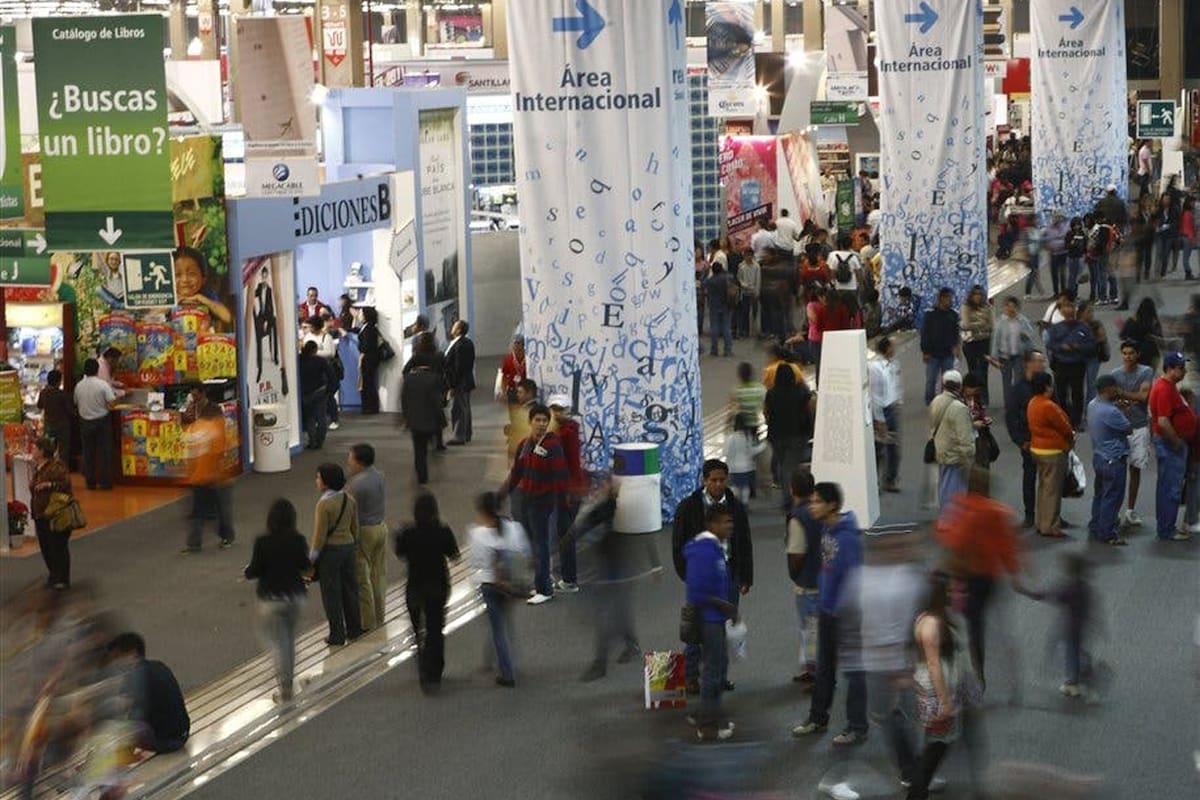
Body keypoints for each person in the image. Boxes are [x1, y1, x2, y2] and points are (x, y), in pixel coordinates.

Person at [792, 481, 868, 745]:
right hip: (827, 610)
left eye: (816, 502)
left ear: (832, 505)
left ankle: (857, 726)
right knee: (824, 668)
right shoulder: (827, 528)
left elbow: (854, 579)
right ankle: (817, 717)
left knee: (854, 672)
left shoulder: (847, 538)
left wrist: (840, 610)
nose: (812, 506)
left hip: (844, 615)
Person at [672, 459, 753, 694]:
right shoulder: (689, 507)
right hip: (701, 575)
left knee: (724, 629)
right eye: (713, 480)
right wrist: (687, 574)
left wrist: (746, 576)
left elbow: (744, 542)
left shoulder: (735, 507)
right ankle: (690, 676)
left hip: (728, 573)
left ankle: (719, 676)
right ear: (704, 480)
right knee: (696, 630)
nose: (718, 484)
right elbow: (678, 544)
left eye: (722, 480)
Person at [936, 467, 1021, 691]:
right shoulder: (997, 511)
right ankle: (983, 672)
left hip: (966, 578)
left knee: (962, 621)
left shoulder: (961, 508)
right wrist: (1014, 573)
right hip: (989, 578)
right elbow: (1007, 546)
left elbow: (950, 538)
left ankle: (971, 671)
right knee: (981, 625)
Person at [861, 531, 928, 791]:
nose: (904, 549)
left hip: (905, 660)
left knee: (909, 716)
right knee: (891, 717)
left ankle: (914, 766)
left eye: (906, 544)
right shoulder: (869, 584)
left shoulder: (912, 578)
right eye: (896, 545)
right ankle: (911, 770)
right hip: (884, 662)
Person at [498, 403, 568, 604]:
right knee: (532, 544)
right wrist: (503, 494)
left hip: (543, 503)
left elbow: (559, 475)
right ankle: (540, 584)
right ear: (530, 422)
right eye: (537, 420)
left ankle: (545, 589)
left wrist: (556, 499)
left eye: (545, 420)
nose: (541, 424)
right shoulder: (525, 445)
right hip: (527, 501)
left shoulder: (553, 446)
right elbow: (517, 472)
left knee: (541, 545)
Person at [906, 572, 968, 800]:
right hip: (936, 693)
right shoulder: (932, 624)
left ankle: (919, 790)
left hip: (932, 690)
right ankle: (916, 793)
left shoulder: (928, 618)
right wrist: (944, 701)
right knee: (936, 746)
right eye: (951, 591)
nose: (956, 595)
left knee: (936, 745)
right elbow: (933, 665)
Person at [243, 498, 310, 702]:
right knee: (288, 640)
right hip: (296, 598)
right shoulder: (299, 539)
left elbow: (255, 570)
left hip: (271, 600)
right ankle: (288, 681)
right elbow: (305, 565)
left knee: (273, 641)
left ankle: (285, 686)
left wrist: (246, 572)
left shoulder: (263, 542)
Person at [574, 481, 641, 681]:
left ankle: (600, 663)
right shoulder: (614, 511)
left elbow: (585, 524)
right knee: (618, 613)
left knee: (606, 618)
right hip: (611, 570)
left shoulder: (609, 510)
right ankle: (631, 644)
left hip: (613, 571)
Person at [395, 492, 461, 692]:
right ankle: (435, 671)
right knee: (435, 630)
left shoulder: (408, 532)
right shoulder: (442, 531)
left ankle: (423, 669)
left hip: (415, 586)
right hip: (438, 585)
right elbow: (455, 555)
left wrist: (399, 535)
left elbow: (400, 553)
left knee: (418, 630)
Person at [685, 504, 740, 741]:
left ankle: (705, 714)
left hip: (715, 619)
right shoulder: (704, 551)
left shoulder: (714, 547)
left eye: (731, 522)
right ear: (712, 525)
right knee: (713, 671)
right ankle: (708, 726)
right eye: (725, 522)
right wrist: (724, 605)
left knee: (718, 667)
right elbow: (696, 592)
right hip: (710, 620)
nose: (730, 526)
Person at [1018, 554, 1098, 700]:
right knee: (1076, 648)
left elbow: (1048, 595)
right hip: (1081, 625)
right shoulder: (1084, 587)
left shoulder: (1069, 588)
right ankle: (1084, 668)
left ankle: (1073, 683)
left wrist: (1025, 591)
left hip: (1070, 626)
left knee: (1069, 651)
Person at [470, 492, 528, 688]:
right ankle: (500, 658)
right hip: (511, 586)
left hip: (490, 585)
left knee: (497, 628)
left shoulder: (477, 534)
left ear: (483, 512)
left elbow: (475, 562)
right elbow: (524, 552)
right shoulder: (514, 528)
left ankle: (507, 671)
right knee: (504, 622)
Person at [309, 463, 364, 646]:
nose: (316, 481)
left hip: (331, 552)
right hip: (348, 547)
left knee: (331, 594)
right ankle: (354, 629)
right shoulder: (350, 499)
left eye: (318, 478)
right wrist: (354, 544)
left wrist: (311, 560)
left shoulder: (323, 505)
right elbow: (355, 528)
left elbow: (319, 536)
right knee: (350, 589)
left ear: (326, 482)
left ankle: (337, 634)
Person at [106, 633, 190, 754]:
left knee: (111, 723)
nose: (116, 664)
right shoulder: (158, 666)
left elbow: (133, 715)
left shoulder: (135, 676)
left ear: (132, 653)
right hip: (182, 734)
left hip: (166, 741)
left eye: (117, 658)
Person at [1148, 352, 1196, 541]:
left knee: (1167, 487)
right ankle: (1167, 529)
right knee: (1171, 489)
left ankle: (1166, 526)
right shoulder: (1164, 389)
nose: (1184, 371)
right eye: (1180, 368)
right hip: (1170, 445)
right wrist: (1176, 443)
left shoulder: (1169, 386)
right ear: (1169, 368)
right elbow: (1163, 422)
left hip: (1171, 443)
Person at [1112, 341, 1156, 530]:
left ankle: (1130, 510)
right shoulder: (1115, 374)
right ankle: (1113, 511)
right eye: (1124, 353)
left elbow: (1143, 397)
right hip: (1120, 428)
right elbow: (1112, 398)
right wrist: (1125, 398)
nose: (1128, 356)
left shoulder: (1146, 371)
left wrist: (1122, 394)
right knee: (1118, 471)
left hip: (1139, 427)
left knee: (1135, 469)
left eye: (1131, 353)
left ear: (1137, 354)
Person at [181, 403, 235, 553]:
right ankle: (227, 538)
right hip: (215, 477)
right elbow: (220, 453)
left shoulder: (194, 427)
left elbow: (188, 454)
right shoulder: (216, 427)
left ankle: (194, 544)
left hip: (196, 478)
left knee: (197, 512)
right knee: (222, 510)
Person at [1028, 372, 1074, 538]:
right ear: (1048, 386)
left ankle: (1041, 522)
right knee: (1053, 490)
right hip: (1052, 451)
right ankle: (1050, 526)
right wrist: (1070, 437)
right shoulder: (1048, 406)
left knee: (1043, 488)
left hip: (1037, 449)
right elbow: (1065, 427)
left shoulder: (1033, 402)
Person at [346, 443, 388, 631]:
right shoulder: (379, 476)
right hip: (381, 527)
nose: (349, 461)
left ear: (359, 462)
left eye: (351, 457)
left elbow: (348, 509)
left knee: (363, 578)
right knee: (378, 575)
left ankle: (367, 622)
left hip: (365, 532)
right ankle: (380, 616)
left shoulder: (356, 484)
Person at [1087, 375, 1132, 546]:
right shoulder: (1111, 412)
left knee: (1100, 493)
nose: (1117, 390)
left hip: (1099, 456)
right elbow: (1128, 428)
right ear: (1107, 389)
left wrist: (1116, 406)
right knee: (1113, 496)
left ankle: (1096, 524)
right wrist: (1122, 410)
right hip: (1113, 459)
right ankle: (1107, 533)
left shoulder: (1092, 405)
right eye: (1115, 387)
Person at [786, 470, 821, 685]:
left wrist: (795, 573)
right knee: (815, 630)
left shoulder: (798, 517)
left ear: (792, 490)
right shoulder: (819, 511)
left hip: (807, 584)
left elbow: (797, 552)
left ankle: (815, 672)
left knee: (809, 631)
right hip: (822, 580)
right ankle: (813, 669)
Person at [1007, 350, 1049, 528]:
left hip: (1048, 441)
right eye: (1039, 361)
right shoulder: (1018, 389)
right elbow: (1012, 417)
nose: (1042, 364)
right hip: (1029, 441)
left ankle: (1050, 514)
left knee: (1050, 481)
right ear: (1028, 364)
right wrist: (1020, 440)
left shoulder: (1047, 383)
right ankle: (1030, 514)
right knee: (1030, 477)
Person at [764, 347, 813, 493]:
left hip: (776, 435)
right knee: (790, 466)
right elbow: (809, 408)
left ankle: (787, 492)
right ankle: (791, 496)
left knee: (783, 464)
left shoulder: (771, 394)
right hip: (797, 434)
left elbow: (766, 413)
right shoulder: (801, 391)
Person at [547, 394, 582, 593]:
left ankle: (569, 578)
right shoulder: (568, 430)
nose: (557, 413)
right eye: (554, 409)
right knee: (564, 533)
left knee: (565, 534)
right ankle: (567, 574)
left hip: (567, 491)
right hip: (568, 490)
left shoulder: (564, 434)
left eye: (560, 409)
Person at [30, 438, 73, 590]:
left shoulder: (56, 467)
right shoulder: (37, 467)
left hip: (55, 512)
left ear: (42, 451)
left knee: (58, 545)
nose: (32, 450)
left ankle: (62, 577)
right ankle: (54, 574)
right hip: (40, 513)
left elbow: (66, 485)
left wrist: (50, 484)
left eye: (35, 448)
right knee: (46, 546)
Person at [1046, 300, 1095, 429]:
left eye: (1070, 307)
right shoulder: (1056, 328)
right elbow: (1050, 344)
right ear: (1061, 311)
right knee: (1061, 393)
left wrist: (1078, 347)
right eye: (1065, 307)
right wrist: (1062, 347)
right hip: (1061, 364)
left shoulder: (1083, 327)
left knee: (1077, 393)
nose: (1068, 310)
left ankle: (1076, 422)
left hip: (1077, 364)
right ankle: (1064, 418)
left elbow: (1091, 345)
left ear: (1075, 310)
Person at [930, 370, 975, 509]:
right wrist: (969, 455)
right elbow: (965, 437)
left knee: (944, 487)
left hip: (941, 451)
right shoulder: (959, 408)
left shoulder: (936, 401)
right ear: (960, 386)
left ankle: (945, 519)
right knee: (956, 491)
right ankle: (952, 522)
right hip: (955, 455)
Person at [74, 358, 120, 490]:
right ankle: (105, 482)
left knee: (88, 453)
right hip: (102, 422)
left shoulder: (79, 386)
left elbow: (76, 402)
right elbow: (111, 404)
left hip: (84, 422)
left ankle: (90, 482)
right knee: (104, 453)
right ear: (97, 370)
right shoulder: (102, 385)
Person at [401, 359, 447, 486]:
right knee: (428, 445)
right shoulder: (434, 379)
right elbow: (437, 402)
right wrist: (441, 420)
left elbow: (404, 400)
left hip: (415, 421)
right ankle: (433, 461)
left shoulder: (409, 380)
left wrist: (406, 418)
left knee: (419, 450)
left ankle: (422, 477)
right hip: (431, 420)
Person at [987, 296, 1036, 413]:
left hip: (1019, 355)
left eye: (1012, 306)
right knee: (1006, 382)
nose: (1010, 309)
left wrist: (1025, 334)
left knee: (1018, 381)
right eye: (1007, 306)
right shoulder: (1000, 322)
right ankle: (1009, 406)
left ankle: (1018, 403)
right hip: (1005, 356)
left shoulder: (1022, 320)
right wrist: (993, 356)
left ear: (1016, 308)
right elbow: (996, 339)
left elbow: (1031, 333)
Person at [869, 336, 902, 493]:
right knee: (878, 448)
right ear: (887, 348)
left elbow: (895, 385)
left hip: (892, 407)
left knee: (893, 447)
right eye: (892, 346)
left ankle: (890, 479)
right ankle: (873, 482)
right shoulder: (875, 368)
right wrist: (879, 419)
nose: (894, 348)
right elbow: (875, 395)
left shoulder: (894, 364)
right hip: (882, 410)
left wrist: (898, 401)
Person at [174, 246, 232, 328]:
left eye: (192, 274)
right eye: (178, 275)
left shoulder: (207, 295)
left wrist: (202, 299)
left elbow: (228, 317)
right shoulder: (167, 297)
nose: (185, 280)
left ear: (203, 279)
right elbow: (151, 317)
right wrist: (173, 303)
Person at [921, 288, 961, 405]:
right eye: (947, 298)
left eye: (950, 298)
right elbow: (925, 334)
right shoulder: (931, 315)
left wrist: (957, 348)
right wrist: (925, 351)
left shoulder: (953, 315)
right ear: (941, 299)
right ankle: (930, 401)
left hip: (948, 353)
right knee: (931, 380)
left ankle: (945, 401)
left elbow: (956, 333)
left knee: (948, 380)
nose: (950, 300)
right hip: (932, 354)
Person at [304, 315, 341, 431]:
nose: (308, 329)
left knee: (329, 395)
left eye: (310, 326)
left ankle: (334, 419)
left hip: (325, 369)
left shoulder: (327, 337)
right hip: (311, 371)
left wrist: (314, 354)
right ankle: (315, 420)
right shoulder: (307, 336)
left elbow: (330, 353)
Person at [960, 286, 994, 406]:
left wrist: (978, 324)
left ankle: (984, 398)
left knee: (983, 371)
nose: (978, 296)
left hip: (984, 342)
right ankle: (974, 398)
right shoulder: (966, 307)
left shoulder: (987, 307)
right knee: (973, 371)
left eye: (980, 294)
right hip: (970, 343)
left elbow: (991, 325)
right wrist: (981, 323)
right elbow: (966, 324)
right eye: (975, 294)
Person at [444, 320, 476, 444]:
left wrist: (452, 384)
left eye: (454, 326)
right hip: (465, 381)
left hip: (459, 382)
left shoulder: (460, 345)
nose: (452, 327)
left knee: (458, 409)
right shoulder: (466, 342)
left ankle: (459, 436)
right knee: (465, 408)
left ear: (458, 330)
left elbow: (458, 367)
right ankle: (466, 433)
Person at [298, 340, 333, 449]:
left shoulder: (298, 360)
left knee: (310, 418)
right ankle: (319, 441)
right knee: (321, 417)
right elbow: (331, 375)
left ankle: (312, 441)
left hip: (305, 392)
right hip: (319, 391)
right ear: (315, 350)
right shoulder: (320, 361)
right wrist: (330, 390)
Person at [724, 414, 765, 505]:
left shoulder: (730, 437)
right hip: (747, 467)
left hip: (733, 468)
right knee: (745, 487)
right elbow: (752, 452)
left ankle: (735, 503)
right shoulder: (747, 436)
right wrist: (763, 446)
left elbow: (725, 453)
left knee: (734, 486)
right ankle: (745, 503)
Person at [1078, 301, 1109, 409]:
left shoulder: (1095, 324)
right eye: (1088, 312)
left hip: (1093, 358)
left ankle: (1089, 409)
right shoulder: (1075, 324)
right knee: (1078, 385)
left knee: (1091, 385)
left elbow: (1103, 337)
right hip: (1078, 358)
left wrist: (1090, 342)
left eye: (1092, 311)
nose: (1091, 314)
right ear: (1081, 313)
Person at [36, 369, 72, 461]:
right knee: (64, 452)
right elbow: (70, 410)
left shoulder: (43, 392)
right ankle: (62, 471)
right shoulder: (62, 394)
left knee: (48, 451)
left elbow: (39, 405)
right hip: (62, 426)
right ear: (58, 381)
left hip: (49, 425)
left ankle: (49, 471)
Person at [252, 265, 279, 384]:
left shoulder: (270, 289)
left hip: (269, 315)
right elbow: (252, 297)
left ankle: (276, 356)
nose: (264, 278)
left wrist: (268, 320)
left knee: (274, 326)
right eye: (262, 276)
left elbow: (271, 307)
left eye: (265, 276)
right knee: (258, 336)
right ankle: (259, 365)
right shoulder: (258, 287)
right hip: (260, 315)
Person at [704, 260, 734, 357]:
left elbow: (702, 283)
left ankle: (714, 349)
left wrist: (705, 272)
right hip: (726, 305)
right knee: (726, 328)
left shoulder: (710, 281)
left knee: (714, 328)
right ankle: (727, 350)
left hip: (713, 306)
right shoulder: (727, 278)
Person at [356, 307, 383, 415]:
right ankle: (370, 406)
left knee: (368, 382)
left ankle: (370, 407)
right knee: (368, 382)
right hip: (369, 358)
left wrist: (361, 349)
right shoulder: (367, 327)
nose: (359, 315)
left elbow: (366, 345)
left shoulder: (369, 328)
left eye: (361, 313)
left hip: (368, 358)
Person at [736, 249, 761, 338]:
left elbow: (758, 279)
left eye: (750, 255)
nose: (748, 257)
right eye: (747, 255)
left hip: (754, 292)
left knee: (755, 311)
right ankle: (745, 330)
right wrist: (745, 285)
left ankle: (755, 329)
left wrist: (756, 291)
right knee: (745, 311)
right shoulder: (741, 266)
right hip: (745, 292)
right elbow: (739, 279)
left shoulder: (756, 266)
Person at [498, 335, 526, 404]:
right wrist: (503, 392)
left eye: (518, 344)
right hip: (512, 390)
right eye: (514, 344)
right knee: (513, 412)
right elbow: (504, 376)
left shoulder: (529, 359)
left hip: (526, 391)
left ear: (523, 346)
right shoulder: (508, 359)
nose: (516, 346)